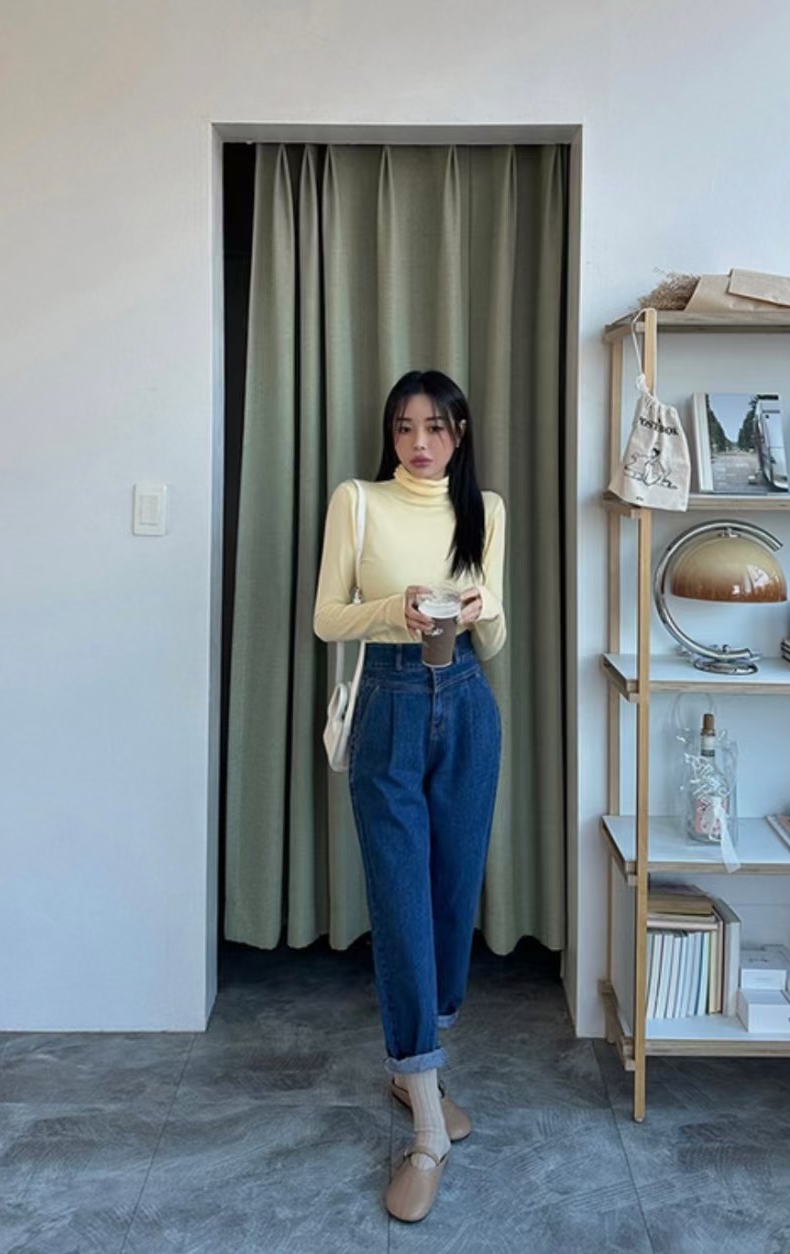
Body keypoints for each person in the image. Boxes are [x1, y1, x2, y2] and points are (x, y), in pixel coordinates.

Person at [313, 369, 506, 1222]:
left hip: (466, 702)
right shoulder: (357, 501)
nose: (419, 443)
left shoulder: (485, 510)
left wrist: (482, 607)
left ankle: (416, 1069)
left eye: (435, 427)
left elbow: (496, 639)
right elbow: (326, 618)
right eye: (403, 427)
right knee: (399, 903)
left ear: (460, 434)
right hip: (388, 705)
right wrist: (393, 609)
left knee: (452, 899)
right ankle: (428, 1128)